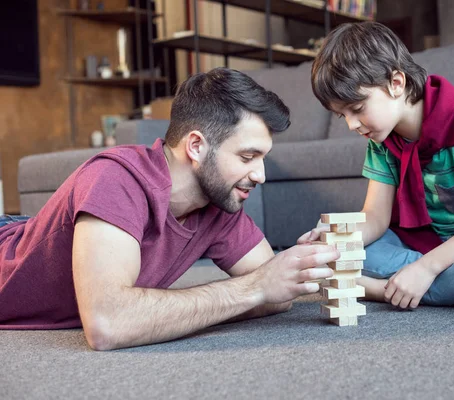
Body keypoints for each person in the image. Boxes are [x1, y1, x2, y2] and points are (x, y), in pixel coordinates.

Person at [0, 68, 339, 350]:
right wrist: (253, 289)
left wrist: (306, 262)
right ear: (196, 146)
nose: (260, 175)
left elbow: (275, 293)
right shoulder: (116, 179)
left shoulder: (219, 201)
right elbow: (107, 323)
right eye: (247, 157)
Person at [299, 22, 454, 310]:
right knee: (344, 256)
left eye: (357, 109)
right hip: (427, 243)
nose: (352, 124)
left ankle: (382, 289)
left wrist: (427, 268)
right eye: (343, 116)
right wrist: (337, 239)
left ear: (396, 83)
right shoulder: (381, 138)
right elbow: (375, 217)